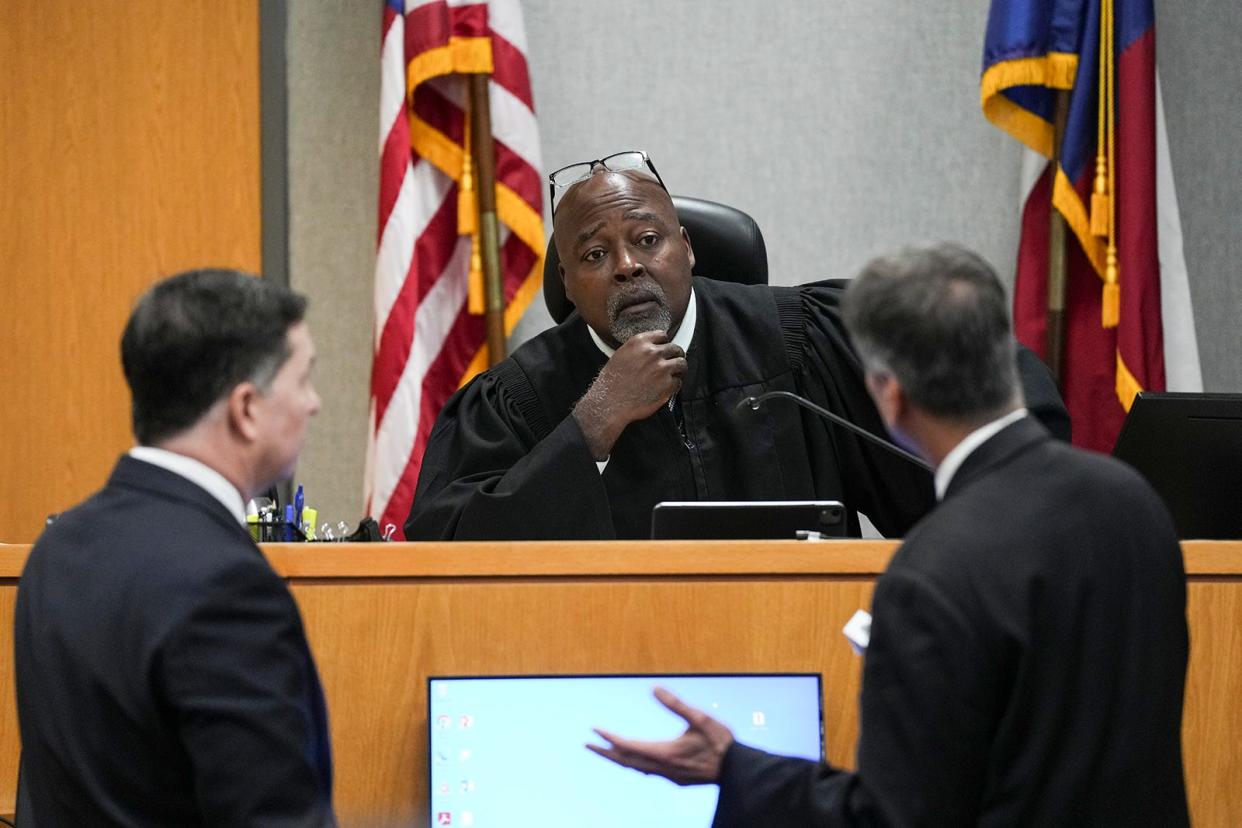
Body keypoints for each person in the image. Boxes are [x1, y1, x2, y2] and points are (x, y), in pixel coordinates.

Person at [587, 243, 1190, 826]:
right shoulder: (1134, 502)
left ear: (890, 397)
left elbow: (896, 818)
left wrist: (734, 769)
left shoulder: (934, 572)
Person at [406, 152, 1069, 540]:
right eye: (595, 254)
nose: (628, 267)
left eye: (647, 240)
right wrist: (595, 421)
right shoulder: (523, 398)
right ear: (567, 285)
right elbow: (447, 545)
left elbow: (987, 382)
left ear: (688, 249)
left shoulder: (801, 341)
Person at [14, 270, 336, 826]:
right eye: (303, 379)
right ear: (246, 409)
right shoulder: (228, 587)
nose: (315, 404)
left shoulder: (57, 550)